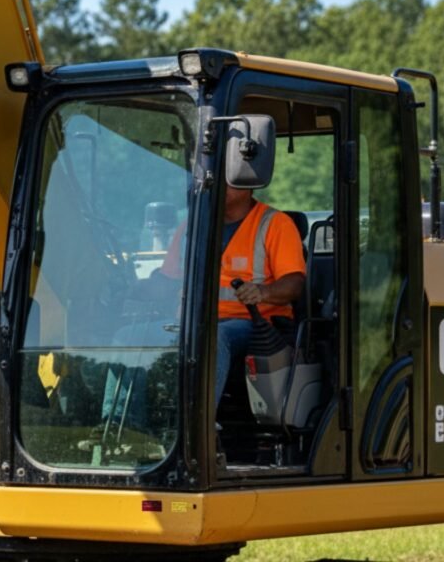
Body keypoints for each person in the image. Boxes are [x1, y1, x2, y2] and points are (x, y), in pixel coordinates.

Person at [93, 186, 305, 445]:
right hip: (191, 323)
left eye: (229, 175)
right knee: (126, 336)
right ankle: (120, 429)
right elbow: (167, 281)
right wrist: (129, 290)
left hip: (252, 326)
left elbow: (294, 283)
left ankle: (196, 431)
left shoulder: (274, 224)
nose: (217, 183)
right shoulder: (190, 228)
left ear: (247, 178)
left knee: (211, 339)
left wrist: (263, 291)